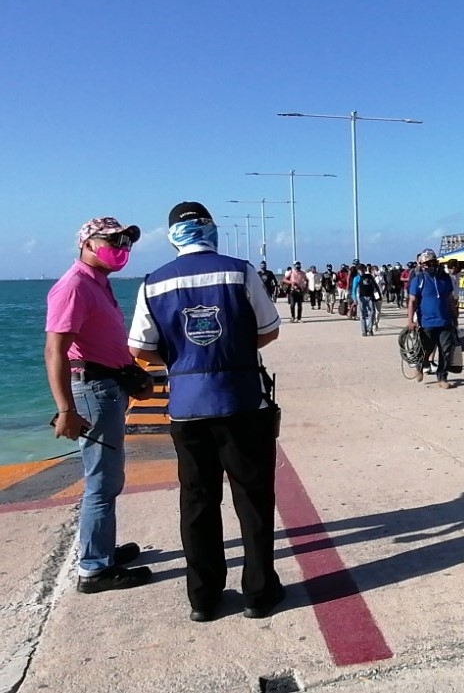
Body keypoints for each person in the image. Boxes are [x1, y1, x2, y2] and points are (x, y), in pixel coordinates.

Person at [127, 202, 285, 622]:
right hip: (241, 400)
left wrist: (181, 361)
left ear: (172, 235)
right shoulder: (239, 271)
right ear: (210, 230)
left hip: (186, 407)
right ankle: (258, 591)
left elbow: (139, 348)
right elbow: (269, 329)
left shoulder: (153, 283)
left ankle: (203, 596)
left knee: (197, 501)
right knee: (251, 499)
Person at [45, 217, 154, 593]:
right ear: (87, 244)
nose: (121, 247)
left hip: (107, 387)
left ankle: (102, 550)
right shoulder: (74, 286)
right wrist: (65, 410)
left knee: (109, 476)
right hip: (91, 391)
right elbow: (54, 351)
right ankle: (94, 569)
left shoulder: (98, 283)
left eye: (125, 242)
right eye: (113, 240)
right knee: (102, 482)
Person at [406, 250, 459, 389]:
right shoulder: (418, 280)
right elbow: (412, 301)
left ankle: (442, 377)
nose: (431, 266)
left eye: (433, 262)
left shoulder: (445, 279)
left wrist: (455, 315)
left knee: (446, 351)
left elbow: (450, 298)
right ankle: (420, 366)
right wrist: (410, 321)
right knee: (426, 350)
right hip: (426, 322)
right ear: (422, 265)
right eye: (427, 264)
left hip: (445, 320)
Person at [355, 265, 381, 336]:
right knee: (362, 314)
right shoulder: (357, 278)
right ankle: (364, 330)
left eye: (362, 270)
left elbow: (375, 286)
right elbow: (354, 288)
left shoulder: (369, 276)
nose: (361, 271)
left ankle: (370, 329)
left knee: (372, 312)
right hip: (361, 298)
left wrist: (378, 296)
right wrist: (355, 298)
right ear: (358, 271)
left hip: (370, 297)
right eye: (360, 270)